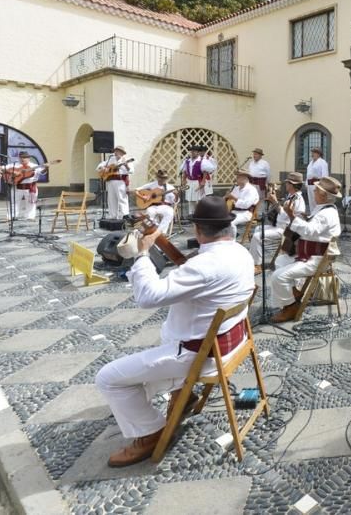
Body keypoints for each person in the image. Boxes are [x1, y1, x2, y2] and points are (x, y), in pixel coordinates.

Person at [95, 196, 255, 467]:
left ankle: (151, 433)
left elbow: (148, 297)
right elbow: (191, 268)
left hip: (198, 356)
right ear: (228, 227)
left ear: (198, 230)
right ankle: (182, 392)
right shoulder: (241, 252)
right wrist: (160, 241)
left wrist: (143, 254)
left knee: (107, 378)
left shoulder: (205, 265)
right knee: (162, 341)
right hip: (233, 344)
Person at [269, 176, 342, 323]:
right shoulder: (323, 210)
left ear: (323, 195)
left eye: (316, 190)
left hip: (316, 259)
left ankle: (291, 307)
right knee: (280, 260)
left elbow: (311, 231)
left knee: (278, 276)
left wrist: (292, 216)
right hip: (310, 255)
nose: (313, 192)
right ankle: (294, 293)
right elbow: (314, 229)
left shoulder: (326, 214)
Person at [251, 172, 306, 273]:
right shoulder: (291, 196)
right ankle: (256, 259)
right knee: (258, 229)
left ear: (292, 185)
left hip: (286, 230)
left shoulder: (297, 199)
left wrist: (275, 202)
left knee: (257, 236)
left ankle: (258, 265)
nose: (286, 185)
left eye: (287, 183)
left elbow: (286, 217)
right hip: (279, 226)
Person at [2, 151, 40, 220]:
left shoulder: (34, 166)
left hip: (30, 187)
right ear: (19, 158)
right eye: (21, 157)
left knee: (30, 203)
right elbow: (2, 168)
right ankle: (11, 216)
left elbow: (42, 171)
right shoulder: (14, 165)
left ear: (29, 158)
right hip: (17, 187)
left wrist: (46, 168)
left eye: (25, 157)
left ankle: (30, 217)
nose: (23, 159)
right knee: (14, 202)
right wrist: (13, 172)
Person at [135, 170, 177, 234]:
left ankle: (160, 233)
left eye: (164, 178)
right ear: (157, 177)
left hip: (165, 206)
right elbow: (136, 190)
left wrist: (176, 195)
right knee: (149, 213)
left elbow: (174, 201)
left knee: (170, 213)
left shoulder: (170, 187)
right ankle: (152, 230)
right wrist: (143, 197)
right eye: (161, 177)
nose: (162, 179)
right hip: (153, 206)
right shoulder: (152, 185)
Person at [97, 146, 133, 220]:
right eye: (115, 151)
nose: (116, 153)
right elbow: (100, 166)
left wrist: (126, 165)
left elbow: (131, 171)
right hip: (110, 181)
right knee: (111, 199)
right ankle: (113, 216)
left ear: (122, 153)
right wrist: (103, 168)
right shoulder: (111, 159)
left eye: (118, 151)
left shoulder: (125, 160)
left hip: (120, 181)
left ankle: (125, 215)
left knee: (122, 198)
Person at [180, 145, 216, 215]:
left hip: (197, 181)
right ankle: (191, 214)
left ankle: (201, 213)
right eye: (191, 151)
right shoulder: (187, 161)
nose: (192, 153)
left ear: (198, 152)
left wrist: (203, 181)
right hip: (190, 181)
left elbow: (205, 171)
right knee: (190, 198)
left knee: (199, 198)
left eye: (194, 151)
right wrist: (184, 179)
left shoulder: (202, 161)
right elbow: (184, 171)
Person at [245, 148, 270, 213]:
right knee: (251, 197)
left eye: (256, 154)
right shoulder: (251, 163)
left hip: (260, 183)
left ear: (260, 155)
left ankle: (260, 213)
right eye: (254, 154)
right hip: (251, 182)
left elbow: (268, 174)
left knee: (260, 199)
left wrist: (267, 183)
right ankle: (252, 212)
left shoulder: (265, 163)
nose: (254, 155)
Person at [304, 147, 329, 213]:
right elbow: (308, 174)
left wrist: (317, 178)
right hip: (310, 185)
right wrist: (306, 183)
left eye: (314, 152)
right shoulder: (310, 163)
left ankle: (318, 216)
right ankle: (313, 216)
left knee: (317, 202)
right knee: (311, 203)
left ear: (318, 154)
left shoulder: (322, 162)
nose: (312, 154)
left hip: (317, 185)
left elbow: (325, 176)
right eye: (312, 152)